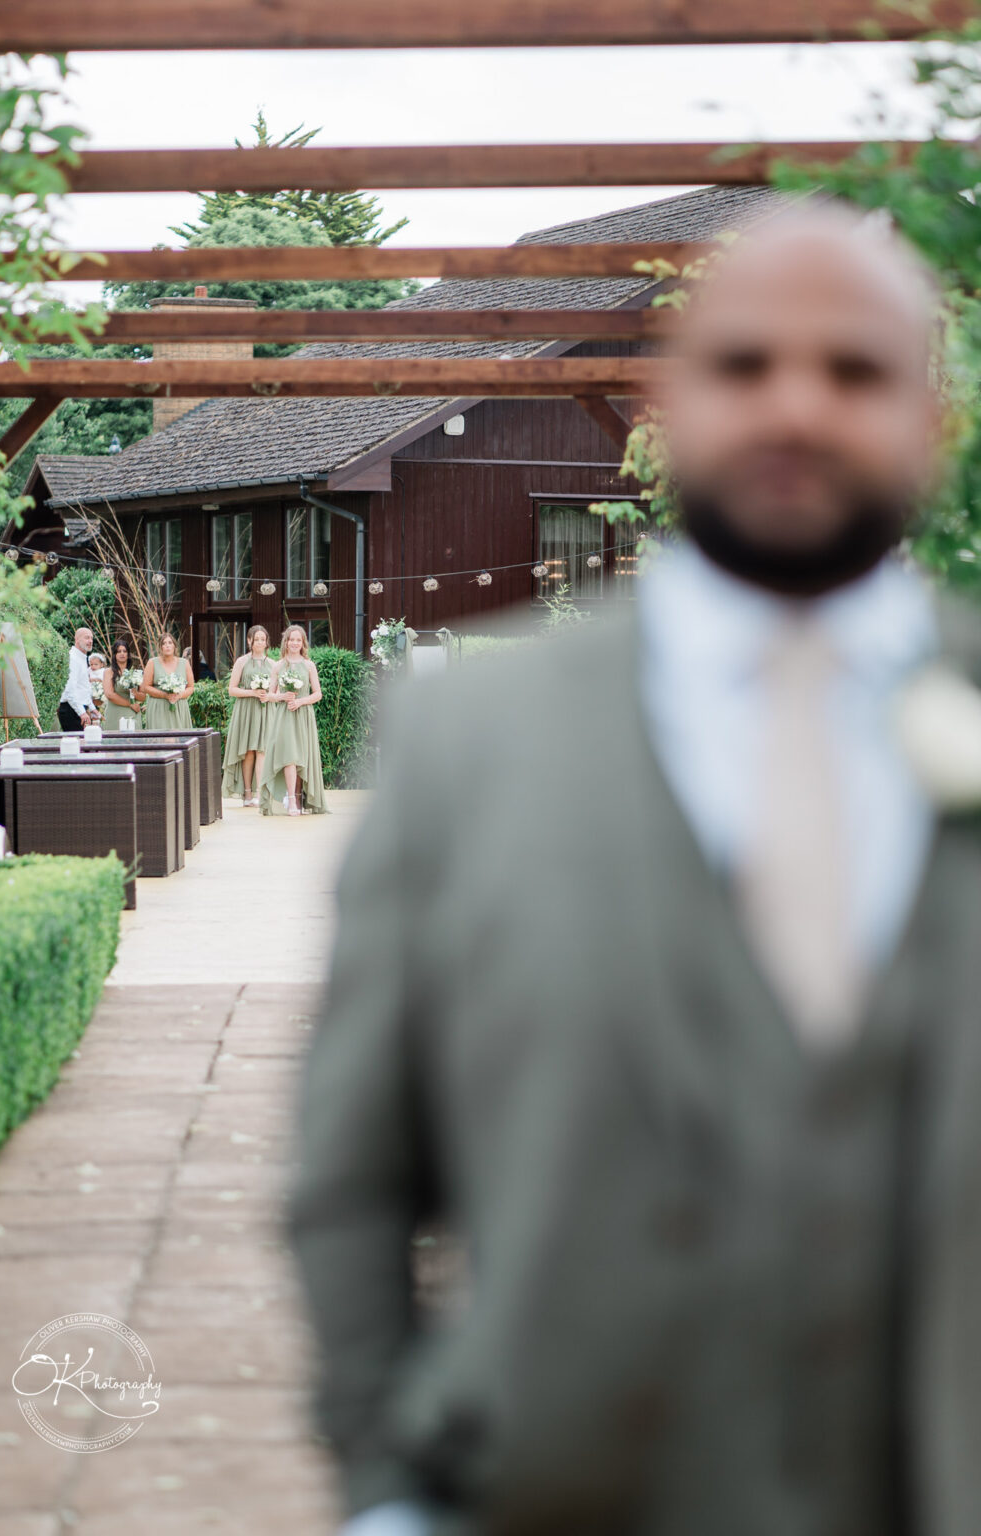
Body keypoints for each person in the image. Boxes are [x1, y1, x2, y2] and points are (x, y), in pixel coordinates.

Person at [287, 207, 981, 1536]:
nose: (796, 405)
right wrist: (387, 1491)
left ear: (929, 420)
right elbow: (354, 1175)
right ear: (670, 404)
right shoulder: (469, 741)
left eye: (855, 371)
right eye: (745, 364)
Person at [259, 624, 328, 817]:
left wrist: (299, 701)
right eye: (292, 640)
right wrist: (283, 697)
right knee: (289, 756)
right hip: (284, 716)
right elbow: (269, 696)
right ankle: (290, 800)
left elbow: (318, 694)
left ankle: (298, 799)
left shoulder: (309, 665)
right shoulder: (279, 665)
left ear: (303, 643)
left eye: (299, 640)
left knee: (300, 759)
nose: (295, 643)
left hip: (303, 715)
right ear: (286, 642)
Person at [222, 625, 276, 806]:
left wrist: (267, 695)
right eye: (256, 639)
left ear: (267, 641)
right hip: (246, 710)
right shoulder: (241, 662)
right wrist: (252, 692)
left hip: (266, 710)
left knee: (263, 750)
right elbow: (232, 689)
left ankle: (260, 793)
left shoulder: (273, 664)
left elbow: (277, 691)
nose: (260, 642)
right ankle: (246, 793)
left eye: (263, 639)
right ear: (249, 641)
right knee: (248, 751)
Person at [142, 633, 195, 730]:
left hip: (179, 706)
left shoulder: (185, 663)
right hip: (158, 707)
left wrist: (179, 695)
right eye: (164, 643)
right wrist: (165, 695)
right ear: (160, 647)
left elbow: (191, 687)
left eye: (170, 643)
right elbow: (145, 687)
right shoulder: (152, 662)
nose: (167, 645)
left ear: (174, 646)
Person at [57, 626, 101, 732]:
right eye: (87, 638)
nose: (90, 641)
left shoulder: (82, 658)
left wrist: (92, 708)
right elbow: (69, 689)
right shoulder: (73, 658)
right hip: (71, 710)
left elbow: (82, 687)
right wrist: (81, 712)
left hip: (78, 708)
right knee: (75, 746)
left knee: (82, 746)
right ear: (77, 639)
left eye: (91, 638)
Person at [102, 639, 145, 732]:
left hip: (133, 713)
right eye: (119, 651)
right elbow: (109, 694)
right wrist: (130, 704)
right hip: (115, 712)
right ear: (114, 654)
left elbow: (143, 697)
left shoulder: (136, 673)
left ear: (128, 654)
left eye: (124, 651)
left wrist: (135, 692)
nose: (122, 654)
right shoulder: (109, 672)